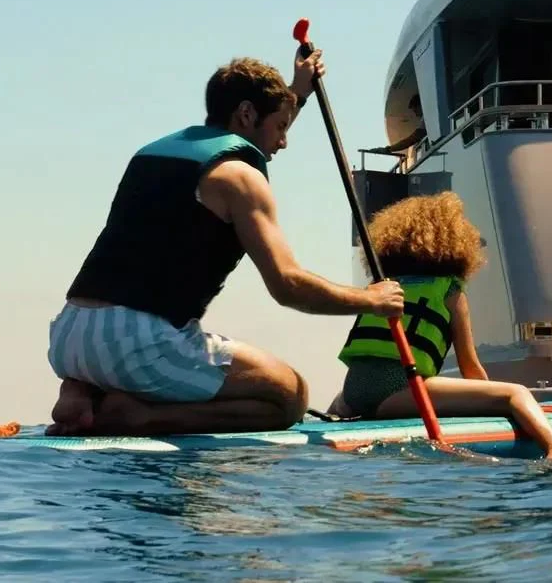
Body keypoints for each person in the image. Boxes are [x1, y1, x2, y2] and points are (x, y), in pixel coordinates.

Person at [45, 50, 407, 437]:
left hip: (69, 336)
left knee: (151, 347)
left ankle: (81, 393)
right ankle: (136, 417)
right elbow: (288, 286)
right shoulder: (240, 178)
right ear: (247, 114)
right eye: (281, 126)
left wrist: (297, 92)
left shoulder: (153, 154)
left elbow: (257, 137)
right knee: (288, 396)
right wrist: (372, 300)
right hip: (137, 345)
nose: (284, 142)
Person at [327, 192, 552, 461]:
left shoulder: (382, 288)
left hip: (352, 392)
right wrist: (489, 399)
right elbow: (470, 367)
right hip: (398, 391)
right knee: (516, 393)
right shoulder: (449, 291)